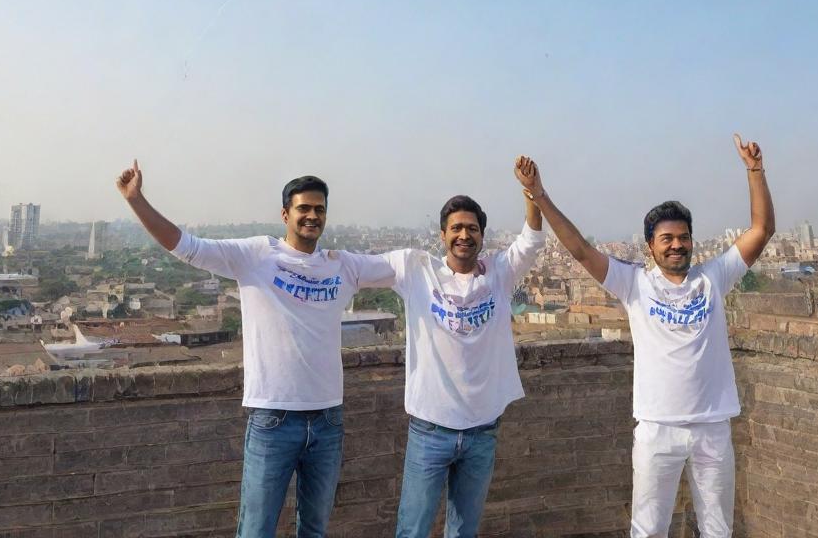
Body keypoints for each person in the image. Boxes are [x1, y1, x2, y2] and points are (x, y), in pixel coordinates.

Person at [115, 160, 394, 538]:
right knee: (256, 529)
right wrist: (137, 201)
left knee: (314, 529)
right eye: (304, 209)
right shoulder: (257, 255)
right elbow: (187, 247)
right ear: (285, 214)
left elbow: (403, 268)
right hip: (273, 418)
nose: (312, 216)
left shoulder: (341, 266)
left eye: (319, 209)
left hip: (327, 419)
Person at [518, 135, 775, 538]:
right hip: (658, 428)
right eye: (667, 239)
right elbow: (582, 251)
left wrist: (755, 171)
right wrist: (540, 195)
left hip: (712, 427)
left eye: (683, 237)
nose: (677, 245)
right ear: (650, 247)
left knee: (717, 530)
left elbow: (762, 229)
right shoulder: (635, 283)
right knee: (649, 529)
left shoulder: (713, 278)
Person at [380, 158, 546, 538]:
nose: (464, 235)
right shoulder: (418, 271)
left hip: (480, 431)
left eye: (472, 228)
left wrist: (531, 191)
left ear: (482, 236)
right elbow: (356, 270)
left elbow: (533, 238)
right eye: (456, 228)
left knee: (464, 531)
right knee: (413, 528)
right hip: (430, 429)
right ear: (442, 234)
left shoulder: (499, 275)